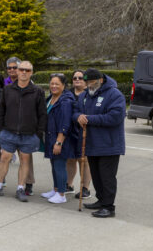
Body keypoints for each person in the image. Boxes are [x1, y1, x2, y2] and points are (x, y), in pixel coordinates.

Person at [0, 61, 46, 202]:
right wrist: (1, 129)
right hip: (8, 132)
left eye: (27, 70)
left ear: (31, 72)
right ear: (17, 71)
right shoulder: (7, 90)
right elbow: (1, 110)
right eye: (21, 69)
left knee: (25, 160)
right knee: (4, 158)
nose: (24, 72)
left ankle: (20, 189)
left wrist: (38, 133)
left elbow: (42, 114)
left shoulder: (38, 91)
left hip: (29, 134)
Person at [74, 69, 126, 218]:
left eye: (91, 82)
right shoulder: (84, 95)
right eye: (87, 82)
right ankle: (101, 200)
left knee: (107, 177)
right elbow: (76, 111)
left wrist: (89, 119)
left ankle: (109, 207)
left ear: (100, 80)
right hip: (91, 143)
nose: (89, 85)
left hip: (109, 145)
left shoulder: (114, 94)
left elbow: (115, 117)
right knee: (96, 176)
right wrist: (78, 117)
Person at [41, 73, 77, 204]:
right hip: (51, 137)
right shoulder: (51, 98)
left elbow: (65, 123)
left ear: (63, 85)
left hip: (60, 139)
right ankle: (56, 189)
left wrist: (59, 142)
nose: (54, 86)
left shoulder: (66, 101)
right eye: (52, 83)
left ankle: (61, 194)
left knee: (60, 165)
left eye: (57, 84)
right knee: (54, 164)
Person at [67, 69, 92, 199]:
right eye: (74, 78)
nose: (77, 80)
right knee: (70, 159)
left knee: (84, 160)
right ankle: (69, 185)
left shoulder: (90, 95)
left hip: (84, 131)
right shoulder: (67, 94)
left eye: (80, 78)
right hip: (69, 131)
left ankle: (85, 188)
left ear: (86, 81)